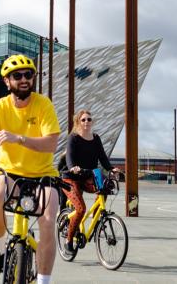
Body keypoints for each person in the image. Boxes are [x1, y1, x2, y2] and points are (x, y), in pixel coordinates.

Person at [0, 54, 61, 284]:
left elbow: (51, 143)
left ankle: (43, 281)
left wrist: (18, 139)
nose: (24, 79)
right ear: (6, 81)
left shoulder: (43, 104)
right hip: (10, 173)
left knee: (48, 221)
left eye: (28, 75)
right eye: (17, 75)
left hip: (44, 175)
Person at [60, 109, 121, 255]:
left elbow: (103, 158)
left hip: (87, 176)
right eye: (83, 120)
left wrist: (111, 169)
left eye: (89, 119)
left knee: (105, 187)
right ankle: (69, 240)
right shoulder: (73, 138)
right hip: (71, 177)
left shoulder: (96, 138)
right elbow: (69, 158)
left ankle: (97, 220)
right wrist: (72, 167)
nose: (86, 122)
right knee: (80, 209)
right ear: (78, 122)